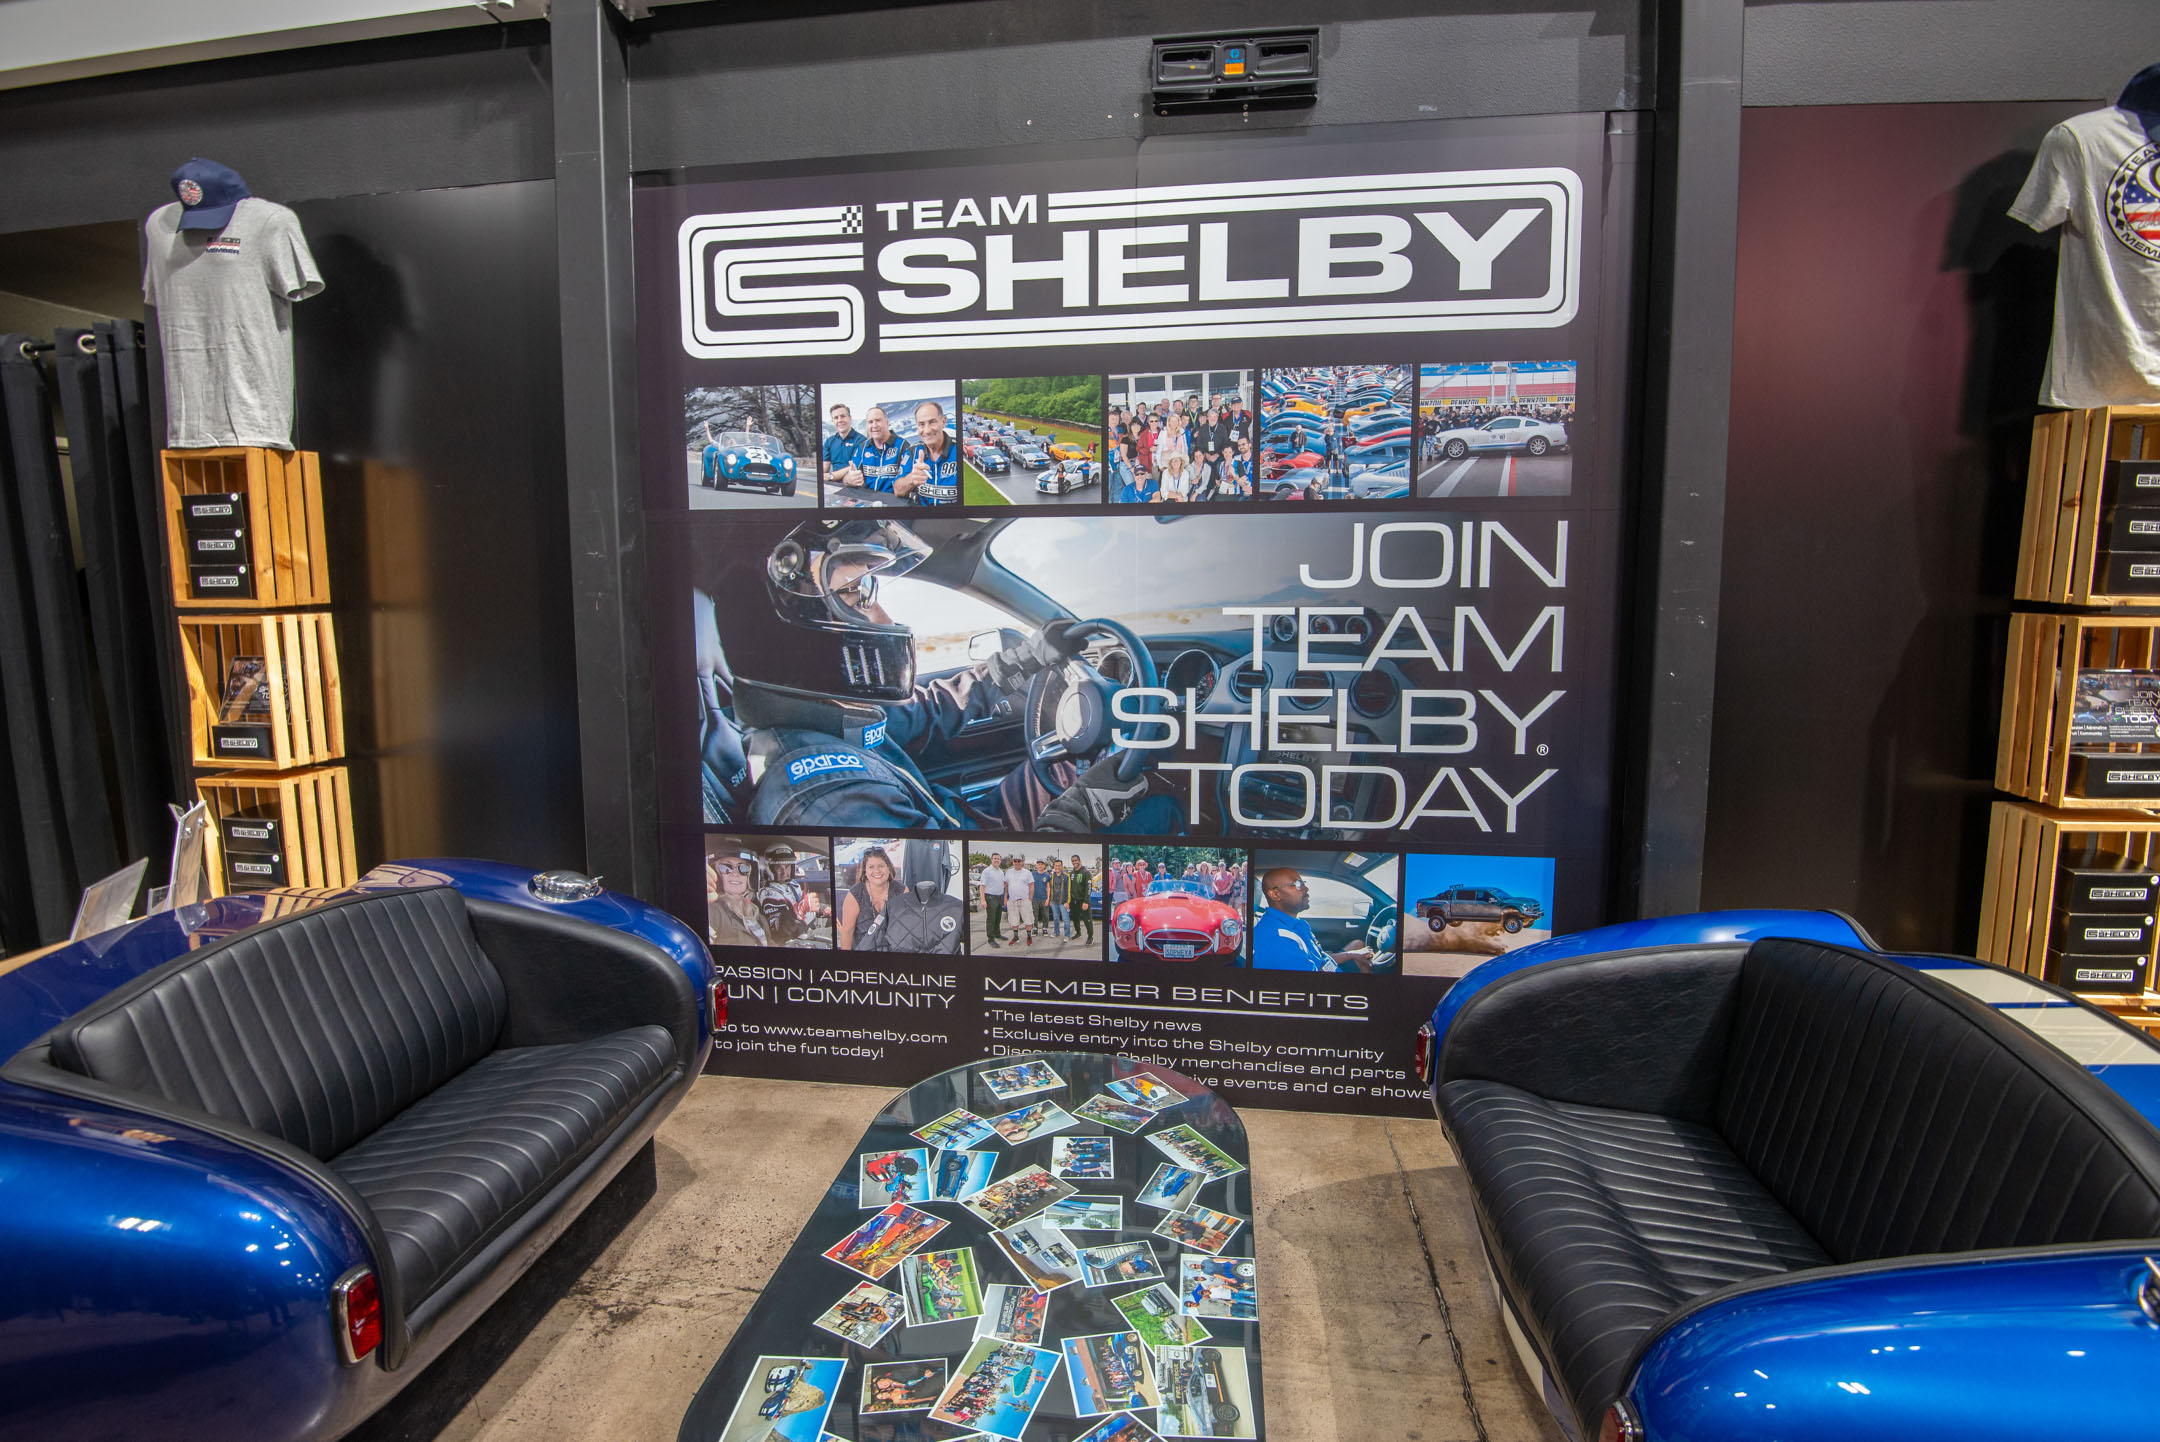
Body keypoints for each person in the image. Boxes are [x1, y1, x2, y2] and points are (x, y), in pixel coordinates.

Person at [708, 515, 1166, 833]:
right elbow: (957, 898)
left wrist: (1027, 658)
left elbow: (930, 709)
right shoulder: (827, 800)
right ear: (787, 625)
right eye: (855, 593)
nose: (884, 618)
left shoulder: (832, 719)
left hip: (963, 824)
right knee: (1163, 811)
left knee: (1069, 764)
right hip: (980, 855)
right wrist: (1080, 812)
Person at [1250, 867, 1373, 972]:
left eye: (1303, 883)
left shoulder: (1295, 923)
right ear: (1275, 894)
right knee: (1366, 965)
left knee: (1358, 945)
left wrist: (1350, 954)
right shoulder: (1278, 940)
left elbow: (1319, 958)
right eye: (1298, 884)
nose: (1306, 889)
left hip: (1327, 966)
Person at [898, 399, 961, 505]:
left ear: (943, 422)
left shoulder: (959, 450)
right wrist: (912, 478)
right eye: (921, 424)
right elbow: (897, 490)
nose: (927, 430)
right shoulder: (911, 452)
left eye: (932, 422)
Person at [707, 846, 772, 948]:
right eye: (726, 867)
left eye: (743, 868)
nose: (735, 873)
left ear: (750, 876)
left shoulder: (758, 916)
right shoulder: (713, 911)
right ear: (717, 874)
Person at [849, 405, 916, 499]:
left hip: (893, 502)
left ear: (887, 423)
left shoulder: (903, 446)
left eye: (878, 420)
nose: (874, 425)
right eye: (870, 422)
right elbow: (849, 476)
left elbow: (907, 482)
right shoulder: (863, 447)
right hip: (867, 500)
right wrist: (849, 479)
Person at [837, 846, 897, 950]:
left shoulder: (902, 891)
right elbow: (847, 934)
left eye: (881, 866)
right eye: (871, 867)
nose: (876, 871)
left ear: (888, 867)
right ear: (865, 870)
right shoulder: (855, 894)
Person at [758, 842, 814, 943]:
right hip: (797, 939)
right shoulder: (769, 893)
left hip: (810, 928)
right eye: (779, 867)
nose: (784, 872)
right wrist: (789, 919)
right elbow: (777, 926)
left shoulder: (793, 885)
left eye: (787, 867)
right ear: (769, 868)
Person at [821, 401, 865, 494]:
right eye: (836, 418)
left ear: (850, 418)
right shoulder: (829, 441)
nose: (840, 420)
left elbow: (855, 466)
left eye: (843, 416)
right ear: (833, 421)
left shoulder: (861, 440)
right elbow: (824, 467)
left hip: (853, 487)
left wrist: (830, 476)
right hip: (833, 487)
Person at [979, 850, 1008, 947]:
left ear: (1000, 860)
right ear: (991, 860)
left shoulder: (1001, 871)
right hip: (990, 897)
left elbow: (1004, 885)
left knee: (998, 917)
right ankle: (991, 939)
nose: (997, 860)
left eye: (998, 859)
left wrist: (1004, 897)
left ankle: (997, 934)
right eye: (995, 858)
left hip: (999, 897)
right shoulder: (987, 871)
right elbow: (982, 886)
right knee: (991, 919)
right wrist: (983, 900)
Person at [1004, 856, 1034, 944]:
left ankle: (1029, 936)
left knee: (1028, 919)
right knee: (1013, 919)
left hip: (1024, 900)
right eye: (1015, 861)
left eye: (1019, 861)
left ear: (1022, 862)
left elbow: (1031, 887)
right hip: (1012, 900)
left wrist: (1030, 899)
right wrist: (1005, 898)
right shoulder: (1008, 872)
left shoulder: (1027, 872)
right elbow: (1006, 886)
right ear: (1013, 862)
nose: (1017, 863)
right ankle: (1016, 937)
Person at [1067, 854, 1094, 943]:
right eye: (1073, 861)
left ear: (1079, 861)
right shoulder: (1071, 874)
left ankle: (1090, 937)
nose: (1074, 862)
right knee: (1075, 918)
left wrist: (1086, 901)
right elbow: (1069, 888)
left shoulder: (1086, 873)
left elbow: (1089, 888)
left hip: (1083, 901)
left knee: (1087, 920)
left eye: (1076, 860)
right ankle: (1078, 933)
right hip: (1074, 901)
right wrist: (1068, 901)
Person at [1031, 860, 1054, 938]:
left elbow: (1048, 887)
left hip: (1044, 898)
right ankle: (1035, 928)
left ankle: (1045, 928)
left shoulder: (1047, 875)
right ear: (1036, 865)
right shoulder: (1033, 874)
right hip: (1034, 898)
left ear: (1044, 866)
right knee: (1034, 915)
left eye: (1042, 864)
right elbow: (1030, 885)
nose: (1040, 866)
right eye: (1039, 864)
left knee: (1045, 915)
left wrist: (1048, 899)